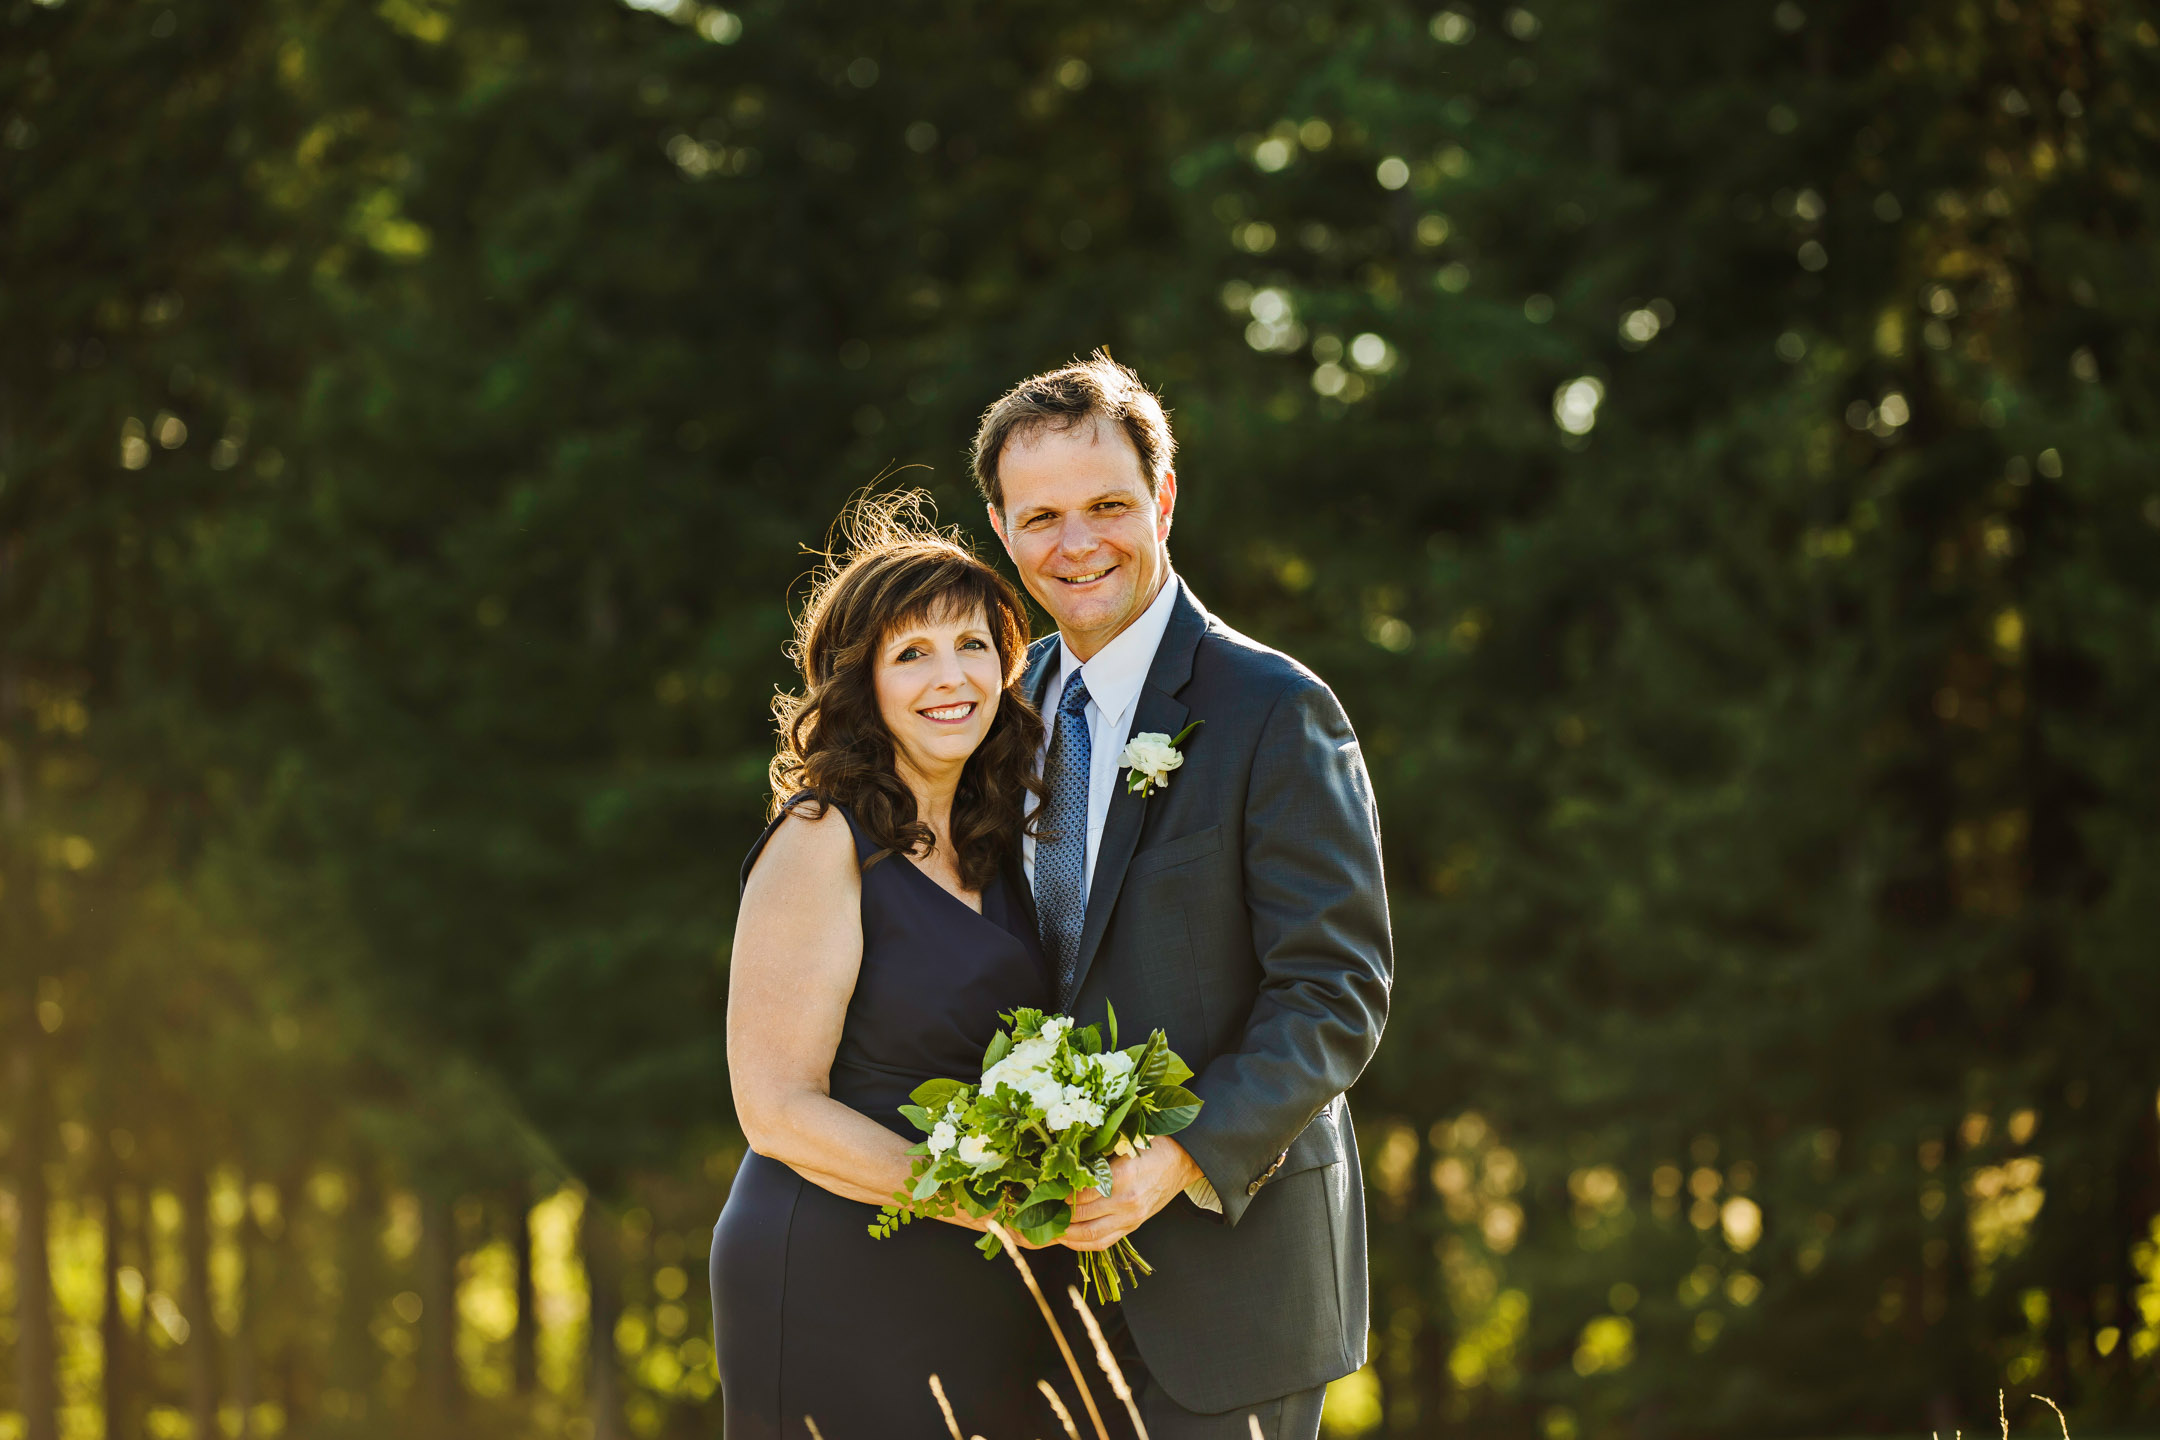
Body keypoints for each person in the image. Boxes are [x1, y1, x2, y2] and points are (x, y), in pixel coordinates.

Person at [975, 352, 1394, 1439]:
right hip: (1035, 1295)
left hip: (1234, 1286)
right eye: (1042, 518)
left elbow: (1335, 991)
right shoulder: (994, 711)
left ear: (1163, 499)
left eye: (1108, 505)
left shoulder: (1273, 708)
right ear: (1002, 530)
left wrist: (1176, 1159)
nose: (1078, 545)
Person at [710, 496, 1083, 1440]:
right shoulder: (821, 837)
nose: (950, 676)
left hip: (978, 1268)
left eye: (973, 645)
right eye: (910, 654)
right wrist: (980, 1197)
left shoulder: (1005, 850)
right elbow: (775, 1106)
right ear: (859, 684)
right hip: (833, 1255)